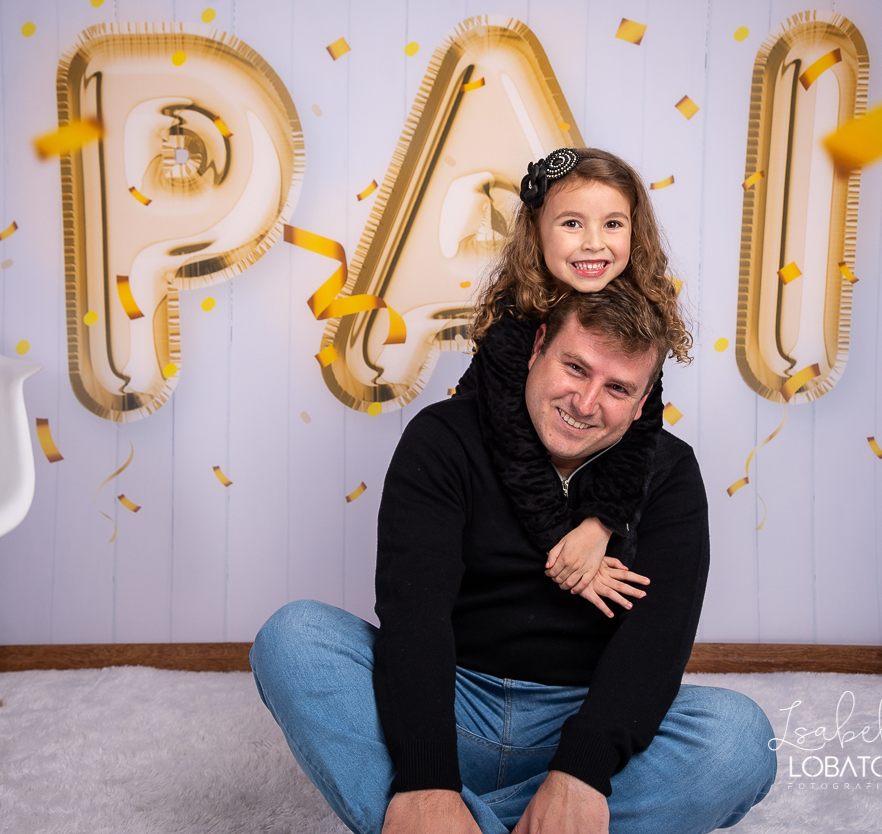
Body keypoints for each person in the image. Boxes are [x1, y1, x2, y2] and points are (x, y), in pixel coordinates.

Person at [251, 282, 777, 833]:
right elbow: (415, 615)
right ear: (538, 347)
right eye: (575, 368)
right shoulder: (443, 437)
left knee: (738, 737)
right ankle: (449, 808)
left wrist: (582, 771)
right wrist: (427, 776)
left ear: (644, 402)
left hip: (577, 716)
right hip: (450, 702)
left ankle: (465, 822)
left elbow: (658, 642)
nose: (586, 404)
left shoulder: (668, 473)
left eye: (617, 388)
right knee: (295, 638)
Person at [455, 148, 687, 617]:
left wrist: (600, 526)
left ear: (635, 233)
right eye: (572, 224)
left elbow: (642, 431)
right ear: (536, 231)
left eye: (613, 224)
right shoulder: (512, 323)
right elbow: (514, 448)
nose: (594, 244)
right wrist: (569, 548)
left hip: (577, 479)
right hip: (499, 479)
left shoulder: (637, 319)